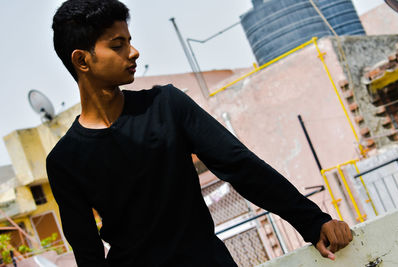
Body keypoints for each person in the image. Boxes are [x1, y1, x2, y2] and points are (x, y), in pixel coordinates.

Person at [47, 0, 353, 266]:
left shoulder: (166, 105)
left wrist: (313, 222)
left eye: (129, 40)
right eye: (118, 45)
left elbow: (240, 166)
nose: (134, 52)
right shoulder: (65, 160)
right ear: (82, 60)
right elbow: (88, 252)